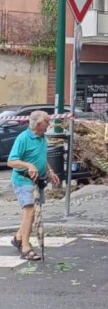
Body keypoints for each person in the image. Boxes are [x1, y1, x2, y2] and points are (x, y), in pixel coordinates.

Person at [8, 110, 60, 261]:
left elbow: (41, 157)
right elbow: (11, 161)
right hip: (23, 180)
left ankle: (18, 237)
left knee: (33, 213)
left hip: (38, 180)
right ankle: (25, 248)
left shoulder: (42, 137)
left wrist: (50, 171)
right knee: (29, 212)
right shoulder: (23, 138)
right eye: (47, 121)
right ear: (38, 124)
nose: (49, 124)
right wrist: (28, 165)